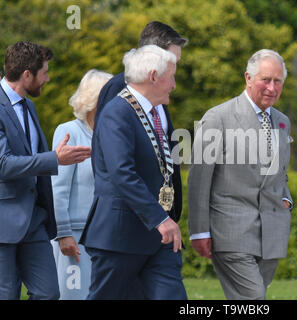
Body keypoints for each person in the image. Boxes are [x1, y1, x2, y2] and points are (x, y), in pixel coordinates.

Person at [80, 45, 187, 300]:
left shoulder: (153, 113)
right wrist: (160, 219)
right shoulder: (117, 112)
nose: (173, 84)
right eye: (171, 76)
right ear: (153, 76)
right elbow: (122, 174)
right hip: (120, 237)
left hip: (157, 238)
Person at [188, 49, 294, 300]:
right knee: (253, 297)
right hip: (230, 232)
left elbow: (281, 174)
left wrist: (287, 201)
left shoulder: (282, 122)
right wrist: (199, 230)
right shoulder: (217, 118)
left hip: (271, 233)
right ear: (248, 78)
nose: (271, 87)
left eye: (277, 81)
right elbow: (199, 179)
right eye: (265, 80)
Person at [0, 41, 91, 299]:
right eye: (45, 73)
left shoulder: (28, 105)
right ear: (27, 74)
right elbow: (3, 164)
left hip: (34, 222)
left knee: (49, 293)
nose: (48, 79)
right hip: (3, 224)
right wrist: (54, 159)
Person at [94, 20, 188, 231]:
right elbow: (113, 159)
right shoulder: (121, 88)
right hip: (130, 223)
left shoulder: (158, 93)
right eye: (173, 61)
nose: (175, 74)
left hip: (158, 218)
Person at [51, 69, 113, 300]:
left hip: (107, 236)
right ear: (96, 98)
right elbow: (57, 188)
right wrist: (64, 233)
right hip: (75, 238)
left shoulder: (113, 134)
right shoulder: (68, 132)